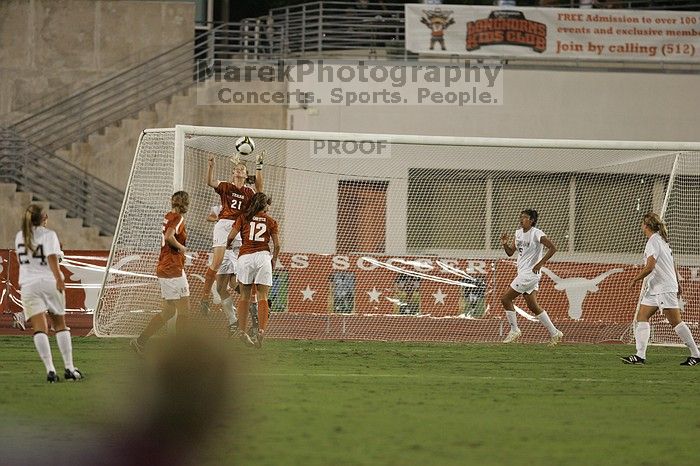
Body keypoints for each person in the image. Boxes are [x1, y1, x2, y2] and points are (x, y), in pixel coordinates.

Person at [15, 204, 82, 383]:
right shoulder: (49, 235)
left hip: (29, 285)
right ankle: (68, 368)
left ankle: (50, 370)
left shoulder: (20, 236)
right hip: (49, 282)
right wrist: (59, 279)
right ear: (44, 218)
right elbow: (52, 257)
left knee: (39, 328)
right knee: (60, 325)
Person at [622, 212, 700, 366]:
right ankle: (640, 356)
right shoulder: (661, 240)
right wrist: (678, 283)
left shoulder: (653, 241)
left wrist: (634, 279)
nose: (641, 226)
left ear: (646, 226)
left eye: (642, 223)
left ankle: (696, 354)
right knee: (642, 316)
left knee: (675, 322)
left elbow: (650, 267)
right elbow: (671, 263)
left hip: (663, 287)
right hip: (656, 287)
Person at [200, 151, 264, 316]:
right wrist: (211, 166)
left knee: (244, 266)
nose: (240, 170)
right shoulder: (225, 186)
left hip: (239, 229)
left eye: (243, 169)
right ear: (233, 173)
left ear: (245, 174)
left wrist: (259, 167)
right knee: (217, 261)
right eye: (237, 168)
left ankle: (252, 303)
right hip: (224, 225)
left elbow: (260, 189)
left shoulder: (249, 192)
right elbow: (209, 182)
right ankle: (205, 299)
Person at [131, 191, 190, 355]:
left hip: (165, 267)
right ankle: (181, 351)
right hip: (173, 268)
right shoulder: (178, 219)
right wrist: (182, 247)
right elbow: (169, 236)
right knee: (185, 310)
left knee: (169, 311)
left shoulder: (168, 215)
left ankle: (140, 342)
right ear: (185, 204)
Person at [500, 209, 563, 345]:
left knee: (505, 299)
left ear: (532, 220)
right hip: (523, 273)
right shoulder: (518, 234)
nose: (521, 219)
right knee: (533, 306)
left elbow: (553, 248)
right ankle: (555, 332)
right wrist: (505, 243)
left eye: (525, 217)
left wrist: (540, 263)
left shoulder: (536, 233)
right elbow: (510, 253)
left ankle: (514, 330)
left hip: (530, 274)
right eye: (521, 217)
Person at [227, 192, 280, 348]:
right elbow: (277, 245)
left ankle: (242, 331)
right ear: (264, 205)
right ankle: (261, 331)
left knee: (244, 296)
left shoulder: (243, 218)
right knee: (263, 296)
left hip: (245, 258)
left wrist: (229, 244)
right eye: (268, 204)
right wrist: (274, 259)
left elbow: (231, 236)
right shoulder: (271, 221)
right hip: (263, 257)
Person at [205, 204, 260, 338]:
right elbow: (209, 217)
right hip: (222, 250)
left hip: (236, 249)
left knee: (236, 283)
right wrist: (220, 219)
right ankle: (233, 320)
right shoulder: (220, 207)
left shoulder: (244, 207)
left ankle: (254, 313)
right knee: (220, 288)